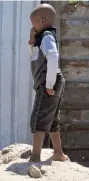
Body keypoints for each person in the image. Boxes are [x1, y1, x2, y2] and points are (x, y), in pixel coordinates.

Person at [28, 3, 69, 162]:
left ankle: (35, 155)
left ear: (43, 21)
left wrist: (49, 84)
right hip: (54, 81)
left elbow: (53, 57)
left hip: (49, 82)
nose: (32, 27)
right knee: (52, 119)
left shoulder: (46, 37)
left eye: (34, 23)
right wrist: (31, 42)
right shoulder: (42, 38)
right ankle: (58, 153)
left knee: (39, 117)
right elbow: (35, 58)